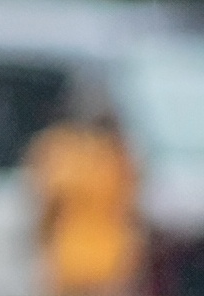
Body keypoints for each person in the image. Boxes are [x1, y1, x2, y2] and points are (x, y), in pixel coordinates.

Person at [25, 78, 143, 296]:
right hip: (112, 258)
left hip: (69, 256)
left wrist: (38, 247)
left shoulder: (56, 148)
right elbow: (133, 207)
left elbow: (46, 208)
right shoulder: (120, 152)